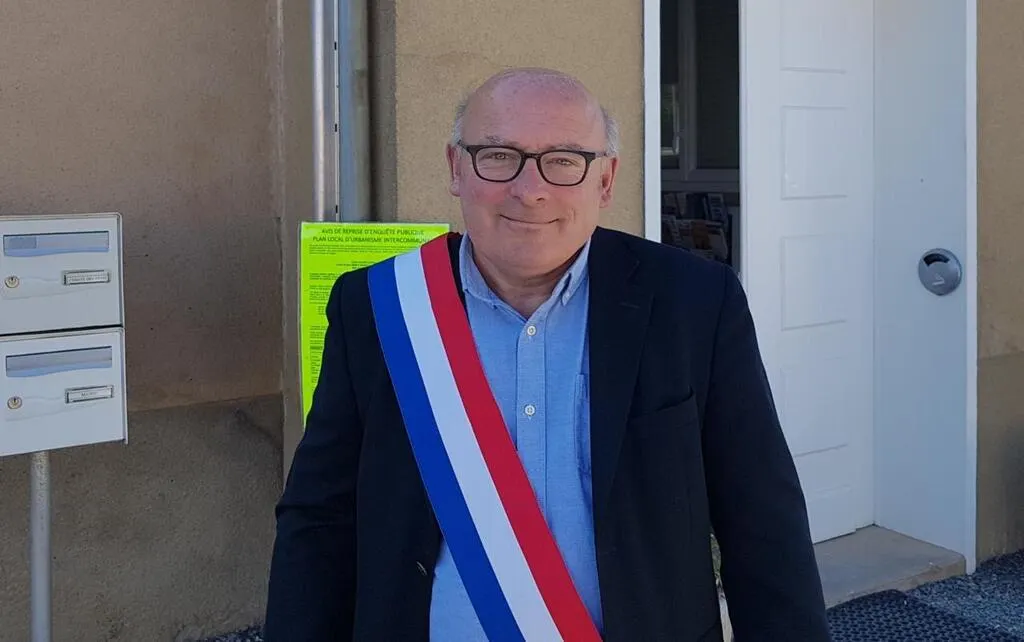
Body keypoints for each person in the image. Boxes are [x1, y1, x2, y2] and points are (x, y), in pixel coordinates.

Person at [264, 67, 832, 641]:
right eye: (498, 156)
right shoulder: (378, 306)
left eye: (564, 160)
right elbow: (321, 515)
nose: (530, 189)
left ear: (605, 181)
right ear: (456, 169)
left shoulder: (696, 302)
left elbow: (762, 520)